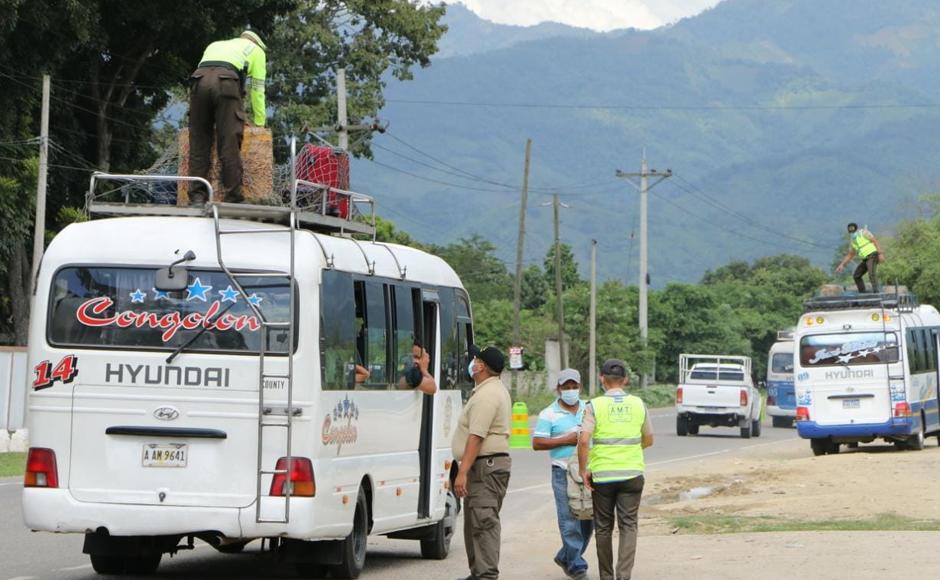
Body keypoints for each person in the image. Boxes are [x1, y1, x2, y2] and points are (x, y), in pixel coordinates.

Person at [577, 359, 653, 580]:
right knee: (629, 525)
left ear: (602, 379)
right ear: (626, 380)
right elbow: (649, 438)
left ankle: (606, 576)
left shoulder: (594, 405)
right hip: (632, 474)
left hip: (603, 476)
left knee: (603, 527)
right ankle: (623, 575)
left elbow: (583, 441)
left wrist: (584, 470)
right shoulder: (639, 404)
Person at [452, 345, 512, 580]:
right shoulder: (488, 390)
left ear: (483, 367)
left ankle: (485, 575)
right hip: (485, 466)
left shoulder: (488, 395)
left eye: (476, 360)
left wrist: (462, 472)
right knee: (474, 524)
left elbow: (476, 436)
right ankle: (478, 573)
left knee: (483, 523)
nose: (472, 363)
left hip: (485, 467)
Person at [188, 30, 267, 206]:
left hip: (198, 82)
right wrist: (260, 122)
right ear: (258, 43)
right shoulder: (257, 51)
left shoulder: (216, 44)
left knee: (198, 142)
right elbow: (257, 89)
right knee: (228, 141)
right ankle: (233, 197)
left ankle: (197, 197)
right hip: (225, 83)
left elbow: (205, 70)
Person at [532, 368, 593, 580]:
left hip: (588, 470)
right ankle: (577, 565)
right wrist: (564, 440)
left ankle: (565, 556)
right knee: (569, 519)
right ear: (558, 389)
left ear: (580, 387)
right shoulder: (548, 413)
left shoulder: (589, 408)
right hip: (562, 471)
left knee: (588, 517)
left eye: (574, 387)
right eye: (566, 387)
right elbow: (537, 443)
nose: (570, 391)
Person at [835, 222, 884, 293]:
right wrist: (842, 265)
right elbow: (850, 254)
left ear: (857, 229)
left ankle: (876, 292)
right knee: (856, 275)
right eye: (851, 232)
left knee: (871, 274)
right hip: (865, 259)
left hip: (872, 255)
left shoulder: (864, 233)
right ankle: (863, 292)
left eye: (854, 231)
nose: (852, 233)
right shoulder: (853, 241)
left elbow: (875, 241)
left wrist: (880, 254)